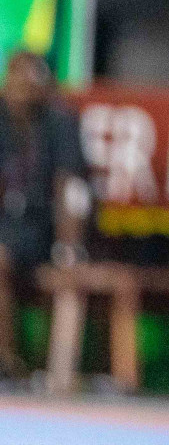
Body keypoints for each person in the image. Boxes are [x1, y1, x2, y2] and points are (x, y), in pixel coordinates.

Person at [0, 50, 89, 377]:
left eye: (29, 82)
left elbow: (72, 189)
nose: (20, 89)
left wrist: (70, 247)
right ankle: (8, 361)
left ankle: (11, 365)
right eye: (14, 81)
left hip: (43, 228)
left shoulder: (59, 122)